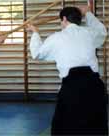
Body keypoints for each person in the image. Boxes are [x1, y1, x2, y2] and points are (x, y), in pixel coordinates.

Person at [27, 6, 108, 135]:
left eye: (61, 21)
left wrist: (35, 33)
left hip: (72, 88)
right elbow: (102, 32)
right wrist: (87, 13)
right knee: (95, 128)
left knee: (65, 129)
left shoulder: (57, 37)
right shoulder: (89, 33)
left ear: (64, 19)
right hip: (95, 87)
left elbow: (37, 54)